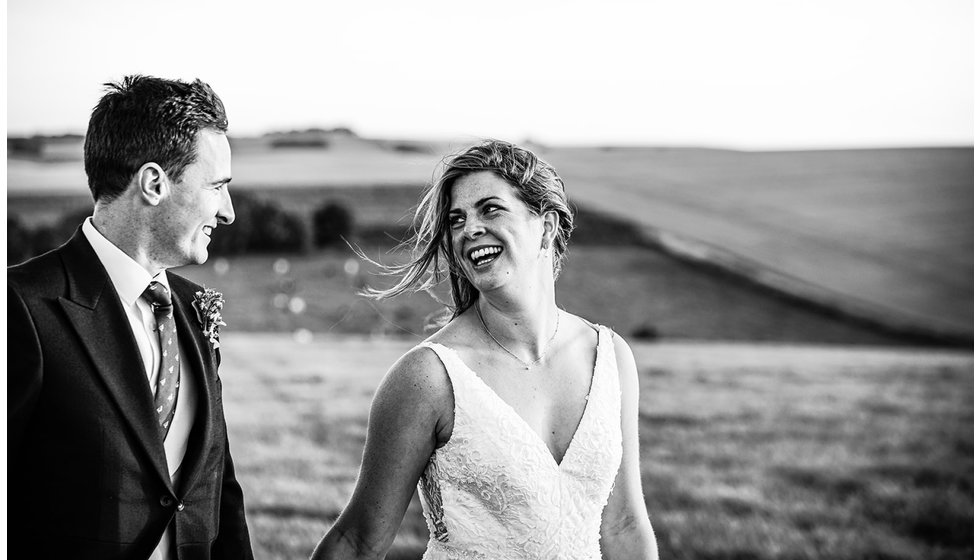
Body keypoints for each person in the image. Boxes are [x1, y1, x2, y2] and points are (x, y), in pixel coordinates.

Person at [311, 140, 658, 559]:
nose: (469, 229)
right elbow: (358, 540)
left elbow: (623, 525)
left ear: (546, 227)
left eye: (490, 209)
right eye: (457, 219)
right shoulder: (429, 376)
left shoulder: (609, 357)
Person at [8, 75, 254, 560]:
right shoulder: (21, 307)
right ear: (154, 183)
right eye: (217, 187)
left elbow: (218, 485)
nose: (227, 212)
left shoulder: (194, 307)